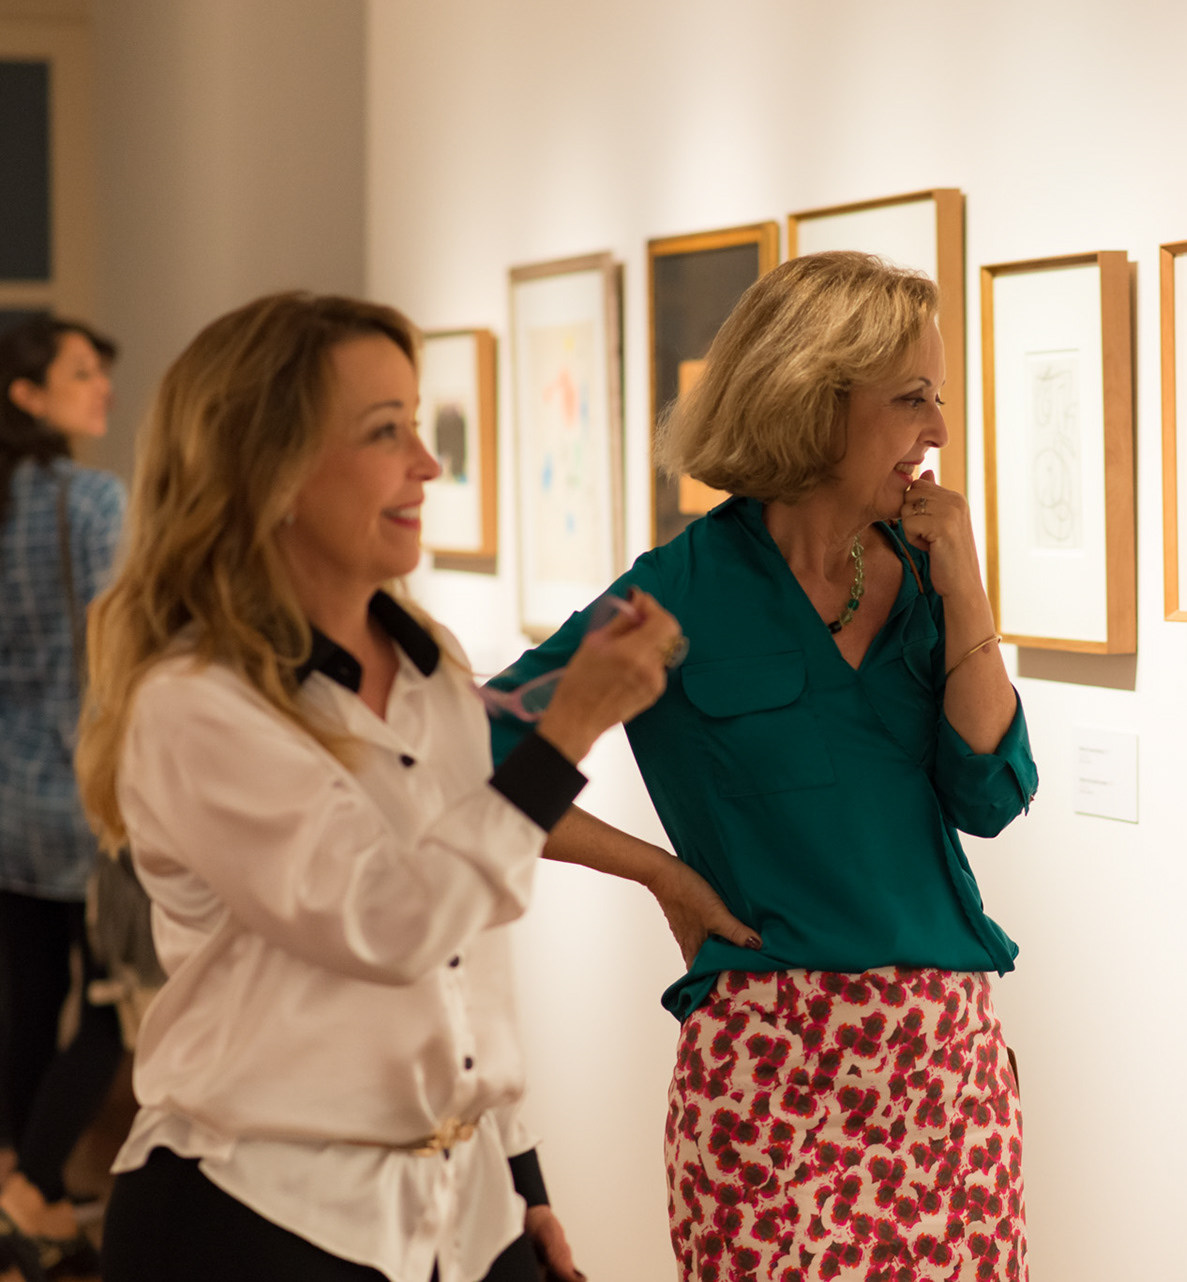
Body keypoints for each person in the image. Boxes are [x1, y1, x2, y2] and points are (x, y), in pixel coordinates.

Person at [72, 292, 687, 1282]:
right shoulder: (196, 705)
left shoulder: (429, 665)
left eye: (416, 422)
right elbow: (390, 921)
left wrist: (523, 1181)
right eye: (383, 430)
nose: (428, 463)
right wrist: (567, 730)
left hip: (466, 1214)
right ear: (272, 474)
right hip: (259, 1221)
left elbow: (468, 966)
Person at [488, 252, 1039, 1282]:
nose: (938, 429)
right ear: (816, 403)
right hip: (769, 1074)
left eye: (937, 398)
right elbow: (481, 758)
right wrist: (660, 871)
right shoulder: (680, 588)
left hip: (944, 1068)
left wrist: (967, 588)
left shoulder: (925, 578)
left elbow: (991, 793)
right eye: (912, 397)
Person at [0, 316, 127, 1279]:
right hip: (77, 791)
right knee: (114, 1003)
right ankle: (36, 1186)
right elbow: (117, 649)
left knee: (26, 998)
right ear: (27, 395)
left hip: (4, 794)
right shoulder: (90, 502)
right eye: (81, 373)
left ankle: (15, 1177)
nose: (102, 387)